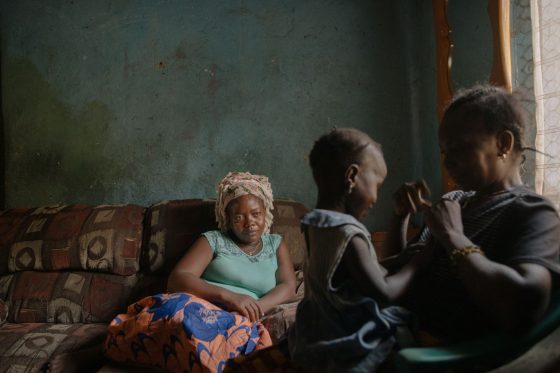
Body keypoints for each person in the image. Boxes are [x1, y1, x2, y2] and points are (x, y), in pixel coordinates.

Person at [388, 85, 560, 343]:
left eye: (460, 148)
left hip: (447, 353)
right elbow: (399, 276)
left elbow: (523, 308)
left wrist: (453, 237)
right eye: (445, 151)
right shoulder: (453, 201)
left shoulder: (532, 211)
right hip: (405, 330)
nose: (447, 162)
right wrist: (400, 219)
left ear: (503, 143)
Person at [104, 172, 297, 373]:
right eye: (239, 217)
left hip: (241, 319)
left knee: (230, 336)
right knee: (178, 313)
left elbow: (288, 287)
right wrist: (230, 297)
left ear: (265, 212)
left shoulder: (276, 244)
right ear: (228, 219)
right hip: (201, 308)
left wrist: (255, 307)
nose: (250, 222)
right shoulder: (214, 240)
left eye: (256, 213)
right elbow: (178, 279)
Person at [287, 128, 431, 372]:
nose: (376, 197)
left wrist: (398, 259)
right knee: (403, 325)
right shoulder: (349, 233)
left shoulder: (315, 223)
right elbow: (383, 292)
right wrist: (416, 264)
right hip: (347, 333)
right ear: (352, 176)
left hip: (317, 331)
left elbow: (348, 273)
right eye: (377, 184)